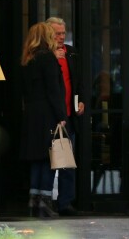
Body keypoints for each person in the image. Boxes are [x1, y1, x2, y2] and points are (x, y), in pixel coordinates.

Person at [20, 22, 67, 217]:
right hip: (47, 113)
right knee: (50, 157)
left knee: (37, 158)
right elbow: (53, 90)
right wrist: (61, 115)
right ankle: (46, 202)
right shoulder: (47, 58)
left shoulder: (27, 59)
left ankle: (34, 201)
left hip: (31, 113)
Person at [46, 17, 85, 216]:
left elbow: (78, 82)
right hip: (50, 117)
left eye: (63, 33)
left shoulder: (72, 53)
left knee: (67, 161)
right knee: (48, 161)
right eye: (57, 34)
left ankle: (65, 202)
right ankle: (45, 202)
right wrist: (52, 57)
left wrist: (81, 101)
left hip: (69, 116)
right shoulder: (43, 54)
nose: (61, 37)